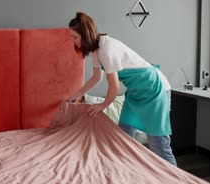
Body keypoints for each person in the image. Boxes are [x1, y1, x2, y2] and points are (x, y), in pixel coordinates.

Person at [66, 12, 177, 166]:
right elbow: (96, 78)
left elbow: (114, 86)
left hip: (154, 89)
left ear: (85, 34)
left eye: (75, 37)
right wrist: (75, 95)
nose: (74, 41)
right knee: (122, 138)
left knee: (159, 145)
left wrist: (102, 105)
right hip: (136, 92)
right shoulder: (96, 49)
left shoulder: (106, 49)